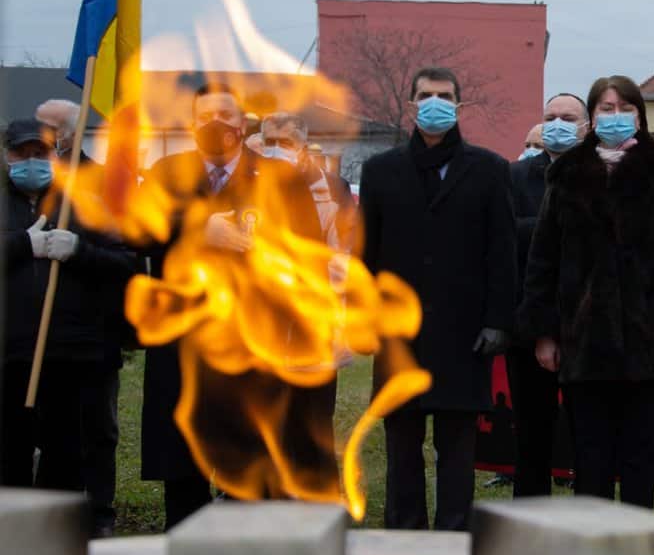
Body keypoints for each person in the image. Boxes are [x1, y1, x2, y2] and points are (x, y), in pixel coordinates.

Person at [139, 84, 330, 529]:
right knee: (184, 453)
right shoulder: (168, 170)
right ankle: (185, 545)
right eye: (204, 116)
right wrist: (197, 228)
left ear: (243, 124)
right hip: (185, 335)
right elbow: (139, 232)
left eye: (226, 114)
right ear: (191, 124)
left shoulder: (280, 178)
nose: (215, 124)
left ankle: (247, 550)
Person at [520, 75, 654, 507]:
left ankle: (637, 540)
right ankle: (593, 544)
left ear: (640, 117)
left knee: (640, 454)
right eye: (605, 109)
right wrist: (545, 331)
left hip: (647, 338)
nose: (615, 116)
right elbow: (543, 259)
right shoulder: (566, 174)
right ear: (591, 119)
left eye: (624, 108)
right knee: (590, 454)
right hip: (582, 338)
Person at [360, 66, 517, 531]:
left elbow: (502, 251)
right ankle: (404, 535)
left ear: (459, 105)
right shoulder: (380, 170)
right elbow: (365, 255)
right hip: (398, 335)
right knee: (401, 444)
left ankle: (454, 534)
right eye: (426, 95)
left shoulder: (490, 170)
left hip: (464, 333)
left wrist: (498, 321)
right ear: (411, 103)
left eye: (445, 95)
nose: (435, 103)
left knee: (457, 447)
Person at [1, 119, 136, 537]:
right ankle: (14, 534)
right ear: (6, 156)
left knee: (67, 454)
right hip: (10, 355)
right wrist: (23, 245)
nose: (30, 162)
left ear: (55, 156)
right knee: (10, 453)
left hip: (71, 356)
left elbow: (126, 262)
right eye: (21, 154)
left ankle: (60, 534)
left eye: (39, 154)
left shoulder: (83, 204)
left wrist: (79, 249)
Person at [508, 93, 589, 497]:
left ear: (586, 127)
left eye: (568, 117)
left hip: (587, 324)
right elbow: (506, 236)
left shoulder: (601, 175)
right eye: (551, 117)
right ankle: (528, 510)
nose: (558, 124)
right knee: (531, 430)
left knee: (588, 432)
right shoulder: (516, 177)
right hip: (530, 320)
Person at [259, 112, 357, 251]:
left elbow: (342, 252)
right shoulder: (249, 182)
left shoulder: (334, 189)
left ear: (303, 147)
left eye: (286, 143)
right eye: (270, 142)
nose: (276, 149)